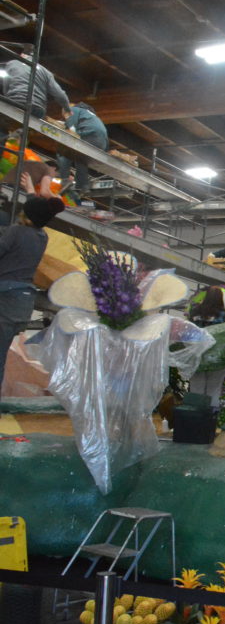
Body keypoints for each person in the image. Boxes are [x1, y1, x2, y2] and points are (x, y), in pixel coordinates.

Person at [0, 172, 64, 397]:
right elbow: (38, 211)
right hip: (22, 303)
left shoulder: (16, 231)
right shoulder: (41, 236)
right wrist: (29, 190)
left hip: (5, 299)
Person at [1, 44, 70, 119]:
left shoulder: (13, 63)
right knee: (26, 128)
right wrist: (67, 109)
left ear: (22, 55)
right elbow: (60, 94)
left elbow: (6, 86)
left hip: (16, 101)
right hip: (38, 109)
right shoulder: (46, 72)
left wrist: (8, 99)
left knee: (4, 125)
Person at [57, 102, 108, 197]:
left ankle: (63, 179)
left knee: (64, 150)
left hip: (89, 135)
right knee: (80, 158)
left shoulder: (73, 110)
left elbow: (71, 130)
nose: (64, 116)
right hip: (101, 143)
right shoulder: (89, 114)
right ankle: (82, 185)